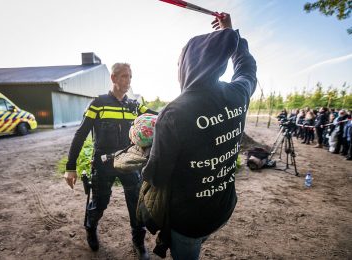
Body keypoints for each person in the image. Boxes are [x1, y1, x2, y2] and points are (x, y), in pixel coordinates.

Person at [141, 13, 256, 260]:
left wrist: (143, 148)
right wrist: (232, 36)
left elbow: (157, 175)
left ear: (187, 64)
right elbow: (247, 68)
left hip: (190, 221)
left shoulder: (173, 113)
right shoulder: (238, 93)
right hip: (224, 207)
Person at [63, 63, 156, 260]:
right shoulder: (98, 103)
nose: (128, 80)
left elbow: (157, 117)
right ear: (113, 78)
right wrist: (70, 167)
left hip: (130, 162)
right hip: (103, 163)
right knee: (100, 203)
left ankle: (138, 241)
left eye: (130, 76)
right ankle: (90, 227)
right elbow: (80, 135)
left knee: (136, 204)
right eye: (124, 76)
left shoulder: (135, 105)